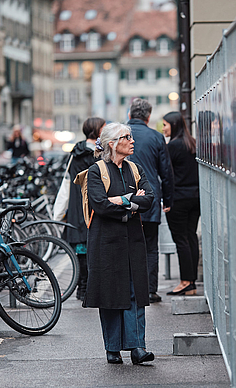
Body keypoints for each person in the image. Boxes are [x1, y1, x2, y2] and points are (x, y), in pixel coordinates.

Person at [84, 122, 155, 365]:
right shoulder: (96, 171)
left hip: (133, 240)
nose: (132, 141)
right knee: (111, 294)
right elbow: (100, 205)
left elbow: (150, 198)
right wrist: (132, 203)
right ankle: (112, 348)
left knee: (135, 292)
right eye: (127, 137)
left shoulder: (135, 168)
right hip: (106, 242)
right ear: (112, 144)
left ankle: (138, 347)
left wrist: (121, 200)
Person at [127, 98, 174, 303]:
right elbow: (166, 172)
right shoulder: (156, 137)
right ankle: (149, 290)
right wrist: (168, 200)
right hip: (150, 198)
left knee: (126, 243)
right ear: (148, 117)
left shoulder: (120, 135)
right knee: (150, 246)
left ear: (130, 115)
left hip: (124, 198)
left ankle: (128, 288)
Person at [64, 117, 105, 301]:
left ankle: (84, 288)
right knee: (88, 249)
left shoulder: (76, 151)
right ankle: (86, 288)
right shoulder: (93, 154)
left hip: (76, 206)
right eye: (103, 128)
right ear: (96, 131)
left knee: (82, 249)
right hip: (88, 206)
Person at [161, 111, 201, 296]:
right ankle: (191, 282)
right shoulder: (192, 143)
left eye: (165, 125)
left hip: (179, 198)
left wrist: (167, 200)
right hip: (195, 197)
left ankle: (186, 281)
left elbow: (168, 176)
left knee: (181, 240)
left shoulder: (173, 146)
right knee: (190, 237)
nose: (163, 128)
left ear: (173, 125)